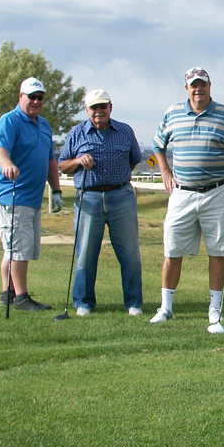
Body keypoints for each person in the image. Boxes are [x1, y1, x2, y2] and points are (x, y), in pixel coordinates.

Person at [148, 67, 224, 332]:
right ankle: (165, 308)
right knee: (172, 250)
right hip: (183, 192)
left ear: (210, 86)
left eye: (203, 84)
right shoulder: (172, 113)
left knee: (218, 252)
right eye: (193, 85)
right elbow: (157, 144)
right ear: (186, 89)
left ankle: (214, 310)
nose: (198, 89)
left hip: (218, 192)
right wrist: (164, 170)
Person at [57, 89, 144, 316]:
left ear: (110, 107)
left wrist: (117, 178)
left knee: (130, 253)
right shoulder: (76, 133)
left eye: (102, 106)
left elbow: (134, 160)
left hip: (121, 196)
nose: (98, 111)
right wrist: (77, 161)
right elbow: (62, 165)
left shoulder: (124, 131)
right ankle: (83, 303)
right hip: (89, 197)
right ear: (87, 110)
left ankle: (133, 303)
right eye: (93, 107)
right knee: (85, 253)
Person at [0, 77, 65, 312]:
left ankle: (7, 293)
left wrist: (56, 189)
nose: (35, 101)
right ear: (20, 97)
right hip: (12, 193)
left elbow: (50, 158)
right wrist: (6, 164)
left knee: (14, 247)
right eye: (31, 97)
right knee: (18, 248)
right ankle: (21, 298)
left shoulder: (43, 125)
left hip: (32, 197)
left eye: (39, 98)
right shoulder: (9, 121)